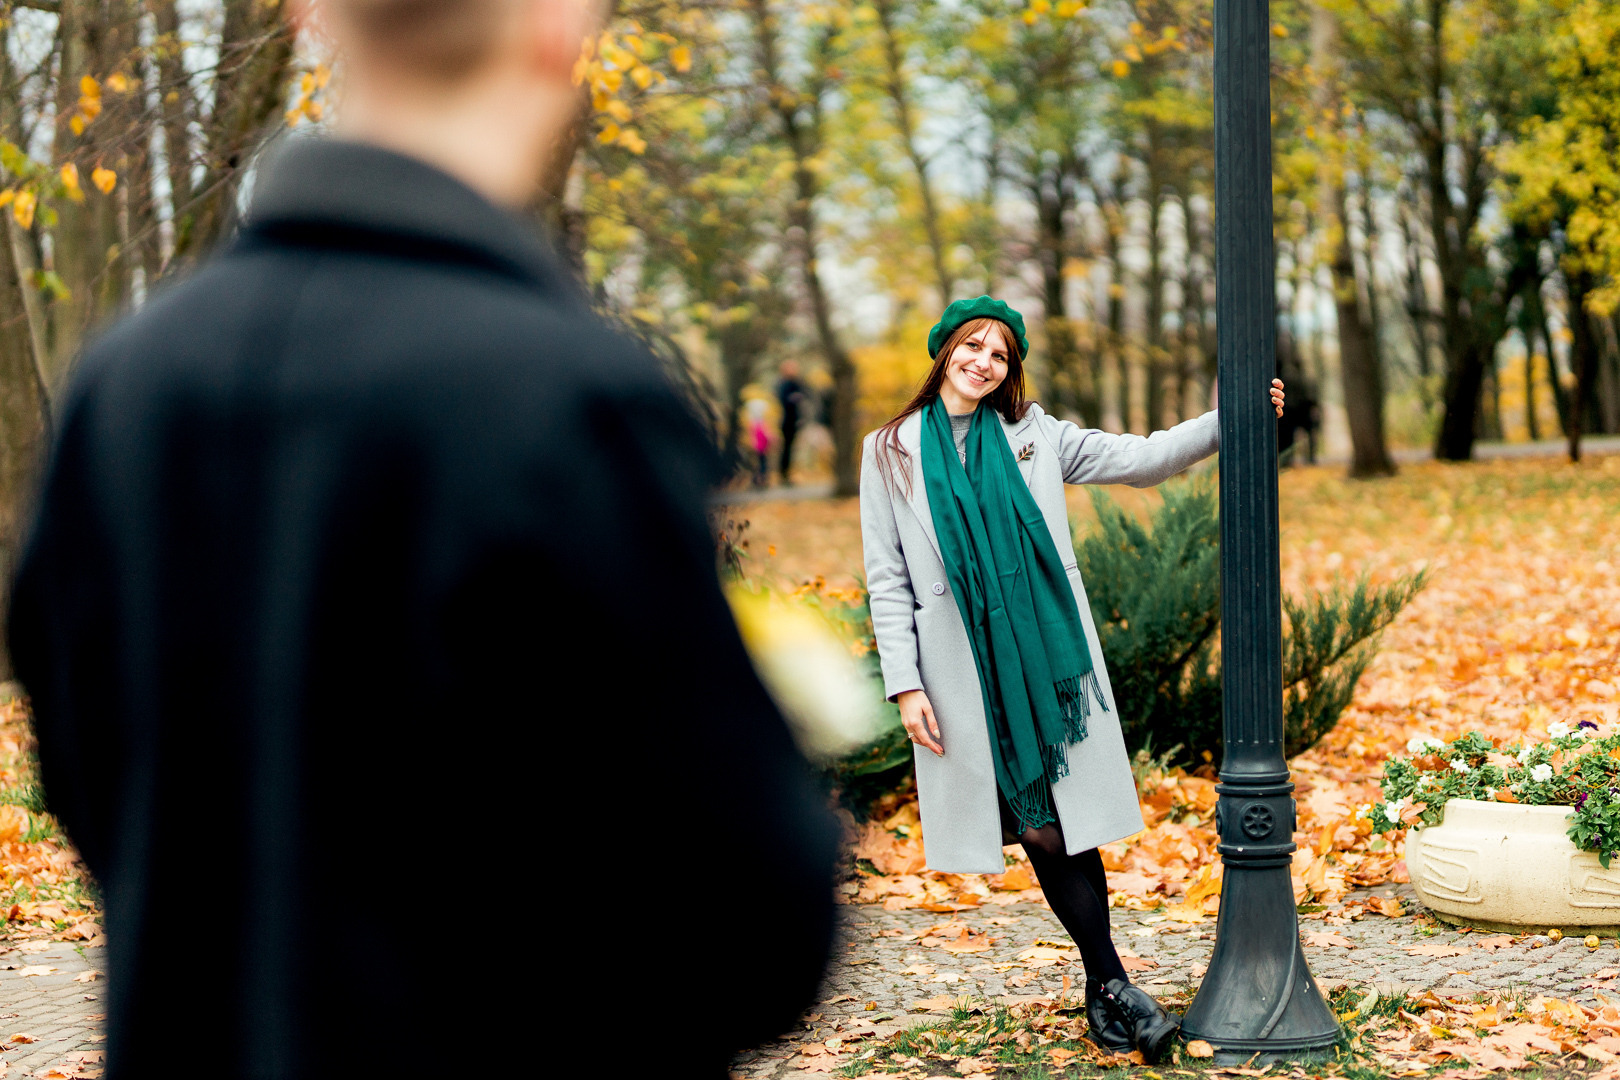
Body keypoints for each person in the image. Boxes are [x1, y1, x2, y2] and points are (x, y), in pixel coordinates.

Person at [6, 2, 837, 1077]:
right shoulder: (571, 402)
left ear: (312, 18)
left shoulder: (125, 385)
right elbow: (751, 936)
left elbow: (95, 793)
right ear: (560, 24)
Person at [859, 296, 1284, 1064]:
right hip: (961, 672)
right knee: (1037, 827)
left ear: (1010, 369)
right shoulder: (888, 450)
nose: (983, 361)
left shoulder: (1035, 435)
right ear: (943, 351)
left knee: (1063, 826)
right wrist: (905, 684)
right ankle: (1114, 985)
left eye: (1000, 353)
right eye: (972, 346)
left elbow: (1142, 458)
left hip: (1047, 666)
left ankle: (1108, 986)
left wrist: (1233, 418)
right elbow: (886, 578)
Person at [775, 360, 808, 484]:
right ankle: (784, 474)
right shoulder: (785, 384)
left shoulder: (796, 383)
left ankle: (786, 473)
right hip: (788, 421)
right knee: (786, 449)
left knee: (790, 448)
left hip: (794, 420)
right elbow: (785, 401)